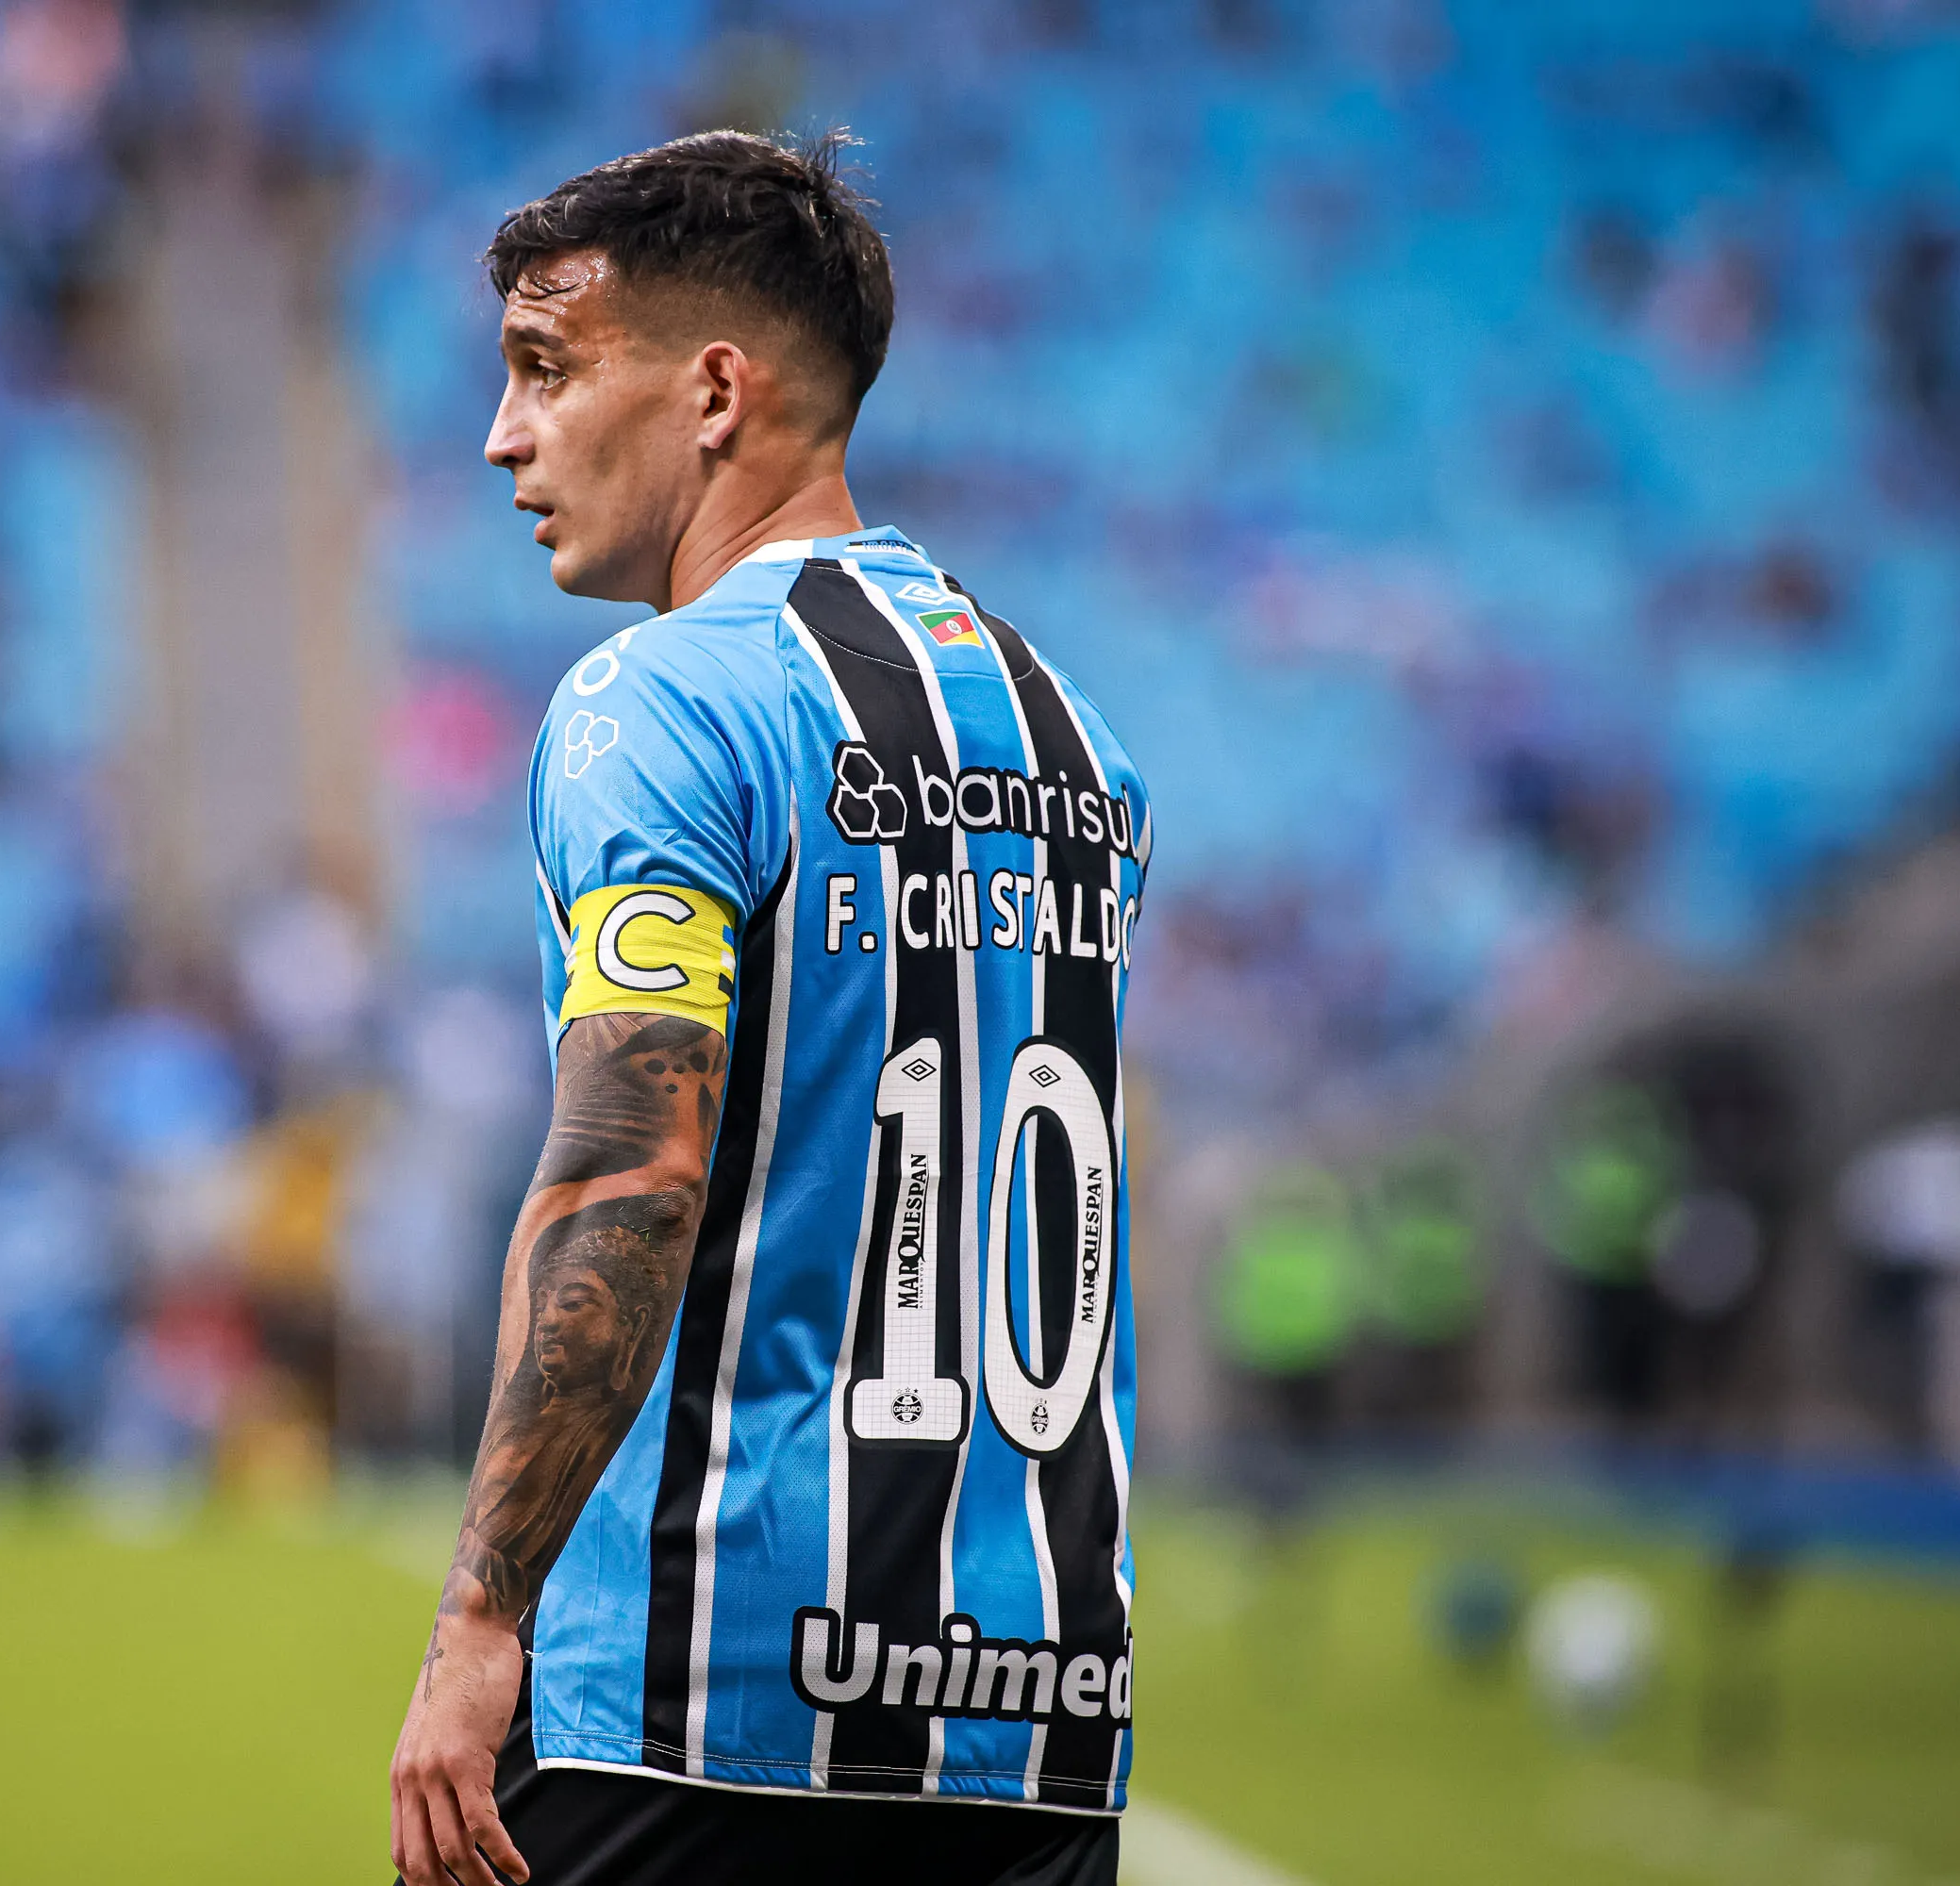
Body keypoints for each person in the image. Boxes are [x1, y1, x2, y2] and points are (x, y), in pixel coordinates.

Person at [390, 132, 1152, 1886]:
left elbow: (632, 1163)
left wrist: (482, 1610)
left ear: (716, 390)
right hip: (1031, 1709)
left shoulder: (653, 706)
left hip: (697, 1706)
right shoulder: (1071, 736)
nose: (505, 436)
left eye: (546, 370)